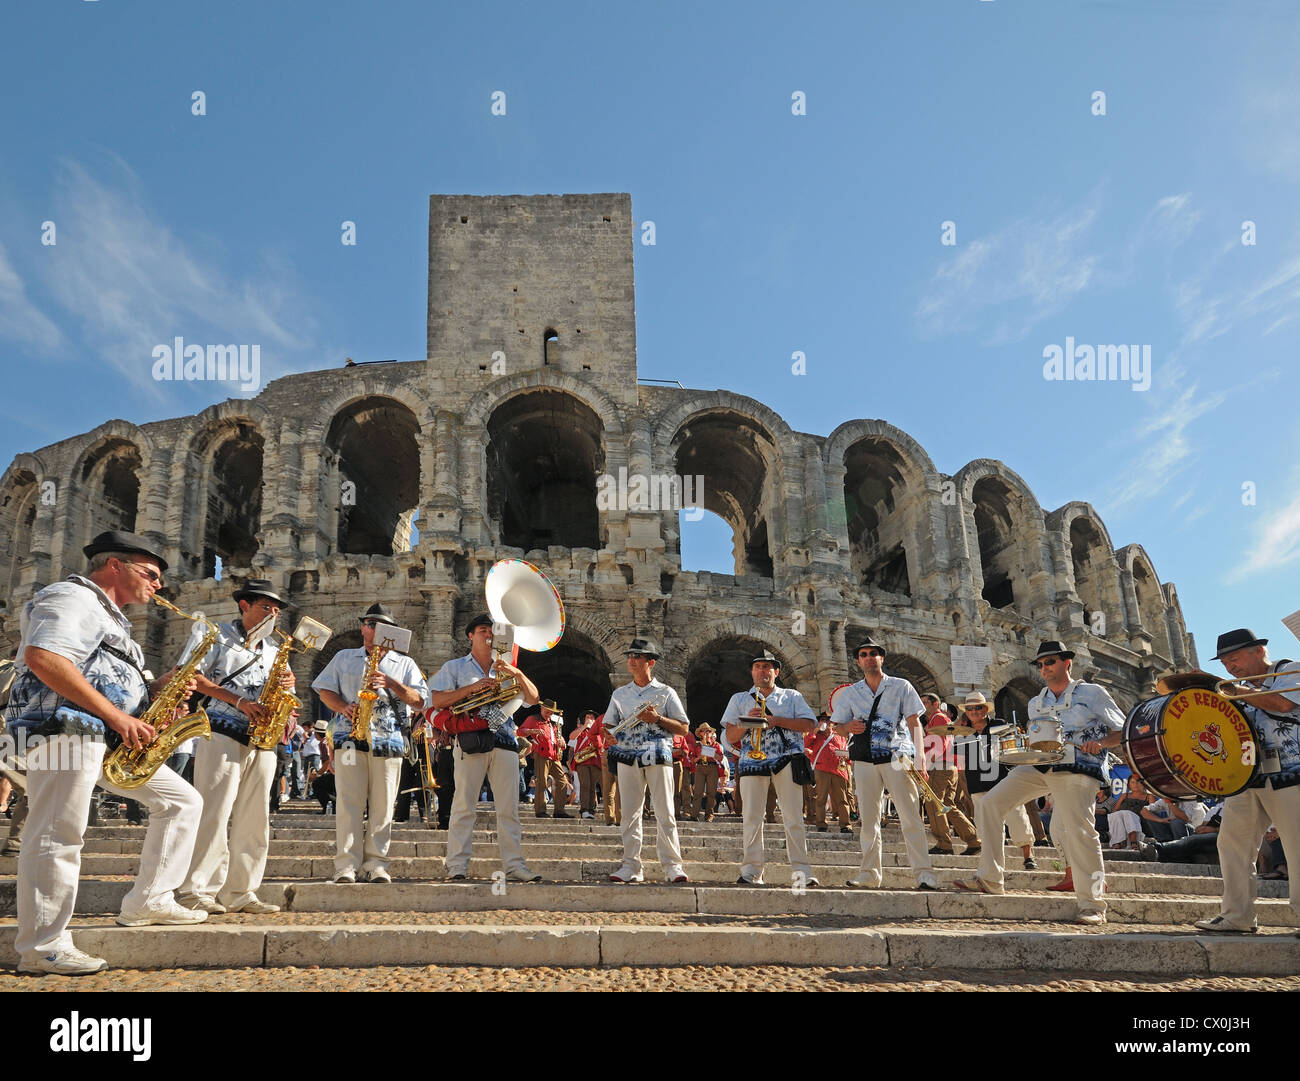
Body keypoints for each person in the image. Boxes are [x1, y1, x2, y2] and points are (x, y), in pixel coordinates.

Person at [5, 530, 206, 976]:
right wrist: (119, 717)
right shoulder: (71, 596)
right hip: (59, 729)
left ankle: (150, 899)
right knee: (57, 831)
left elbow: (103, 677)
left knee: (182, 801)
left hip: (102, 738)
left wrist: (158, 689)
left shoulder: (114, 619)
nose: (157, 585)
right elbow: (44, 658)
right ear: (114, 566)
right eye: (150, 574)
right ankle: (42, 945)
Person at [956, 641, 1124, 925]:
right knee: (991, 803)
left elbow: (1123, 728)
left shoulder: (1092, 693)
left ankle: (1093, 903)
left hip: (1078, 766)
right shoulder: (1037, 702)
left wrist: (1101, 743)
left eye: (1051, 662)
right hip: (1041, 765)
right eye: (1041, 664)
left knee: (1081, 830)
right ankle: (990, 878)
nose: (1045, 668)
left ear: (1067, 663)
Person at [179, 579, 296, 916]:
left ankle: (242, 891)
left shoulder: (275, 649)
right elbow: (192, 675)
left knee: (255, 819)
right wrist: (239, 701)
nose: (272, 615)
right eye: (265, 608)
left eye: (276, 611)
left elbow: (284, 688)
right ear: (244, 606)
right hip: (221, 729)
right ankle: (196, 888)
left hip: (262, 738)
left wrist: (288, 684)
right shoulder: (213, 634)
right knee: (214, 811)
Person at [312, 603, 428, 884]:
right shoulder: (343, 657)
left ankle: (376, 863)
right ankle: (346, 865)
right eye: (370, 623)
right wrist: (342, 707)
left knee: (384, 804)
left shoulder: (405, 663)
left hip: (388, 739)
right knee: (349, 802)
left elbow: (421, 701)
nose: (374, 628)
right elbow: (324, 689)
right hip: (349, 738)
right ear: (363, 627)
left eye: (380, 624)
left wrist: (391, 683)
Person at [1194, 628, 1300, 934]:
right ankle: (1237, 915)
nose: (1230, 667)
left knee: (1296, 844)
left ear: (1259, 651)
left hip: (1291, 773)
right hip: (1249, 777)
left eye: (1234, 658)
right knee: (1232, 844)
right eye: (1225, 663)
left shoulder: (1288, 670)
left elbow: (1282, 705)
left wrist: (1229, 691)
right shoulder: (1235, 688)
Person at [429, 614, 542, 882]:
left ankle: (514, 866)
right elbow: (436, 699)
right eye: (483, 630)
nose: (489, 634)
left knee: (509, 810)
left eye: (493, 631)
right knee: (464, 806)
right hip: (470, 741)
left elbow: (533, 698)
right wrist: (475, 688)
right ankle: (456, 866)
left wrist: (516, 672)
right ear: (471, 635)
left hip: (504, 741)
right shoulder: (454, 667)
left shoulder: (507, 667)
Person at [831, 636, 937, 890]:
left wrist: (921, 760)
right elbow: (837, 727)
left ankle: (924, 874)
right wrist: (847, 726)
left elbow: (915, 723)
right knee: (868, 820)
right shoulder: (851, 693)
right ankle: (869, 874)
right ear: (858, 661)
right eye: (864, 654)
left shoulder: (902, 686)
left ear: (882, 657)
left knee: (911, 817)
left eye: (873, 653)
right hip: (864, 759)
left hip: (898, 756)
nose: (869, 658)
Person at [724, 649, 818, 886]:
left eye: (767, 667)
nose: (762, 671)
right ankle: (751, 871)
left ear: (776, 672)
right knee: (752, 817)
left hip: (786, 758)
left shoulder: (792, 696)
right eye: (758, 667)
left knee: (794, 817)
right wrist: (748, 720)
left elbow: (809, 725)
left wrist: (776, 721)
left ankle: (802, 872)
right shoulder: (739, 699)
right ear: (752, 672)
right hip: (751, 759)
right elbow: (730, 734)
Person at [601, 637, 689, 884]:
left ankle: (672, 866)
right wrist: (608, 734)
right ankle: (631, 866)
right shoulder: (619, 694)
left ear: (650, 662)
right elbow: (609, 723)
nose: (631, 660)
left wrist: (658, 719)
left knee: (665, 812)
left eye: (637, 657)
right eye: (630, 656)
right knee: (629, 813)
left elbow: (683, 728)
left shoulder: (666, 692)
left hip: (658, 753)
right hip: (627, 757)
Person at [958, 692, 1037, 870]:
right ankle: (992, 863)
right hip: (977, 783)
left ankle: (1028, 855)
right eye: (969, 709)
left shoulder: (998, 725)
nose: (974, 711)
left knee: (1016, 817)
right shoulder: (963, 733)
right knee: (985, 823)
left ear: (985, 709)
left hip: (1002, 780)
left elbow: (1014, 742)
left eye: (978, 707)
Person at [920, 693, 980, 856]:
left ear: (936, 704)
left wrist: (925, 762)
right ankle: (973, 839)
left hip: (940, 767)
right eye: (922, 702)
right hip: (949, 767)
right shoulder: (936, 720)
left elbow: (941, 744)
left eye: (925, 702)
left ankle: (944, 844)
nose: (923, 705)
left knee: (933, 804)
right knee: (948, 805)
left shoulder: (938, 718)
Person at [804, 718, 851, 833]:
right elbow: (806, 744)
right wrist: (815, 730)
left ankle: (845, 825)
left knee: (842, 799)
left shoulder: (840, 735)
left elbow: (847, 752)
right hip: (821, 769)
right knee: (821, 798)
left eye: (829, 721)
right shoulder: (816, 735)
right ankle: (821, 824)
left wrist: (847, 757)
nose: (827, 723)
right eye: (823, 721)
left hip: (838, 770)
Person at [571, 710, 605, 820]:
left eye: (592, 717)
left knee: (592, 787)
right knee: (585, 785)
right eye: (587, 717)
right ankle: (584, 810)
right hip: (582, 761)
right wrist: (585, 725)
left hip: (595, 760)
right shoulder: (581, 730)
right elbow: (572, 737)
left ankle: (591, 810)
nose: (590, 718)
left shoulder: (599, 732)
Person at [690, 723, 722, 821]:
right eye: (703, 731)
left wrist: (711, 753)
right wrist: (700, 756)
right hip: (700, 767)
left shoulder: (716, 745)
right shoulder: (696, 745)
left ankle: (709, 816)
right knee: (698, 792)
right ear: (700, 734)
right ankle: (694, 815)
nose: (706, 733)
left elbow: (721, 758)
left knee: (711, 793)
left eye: (708, 731)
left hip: (712, 768)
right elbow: (692, 760)